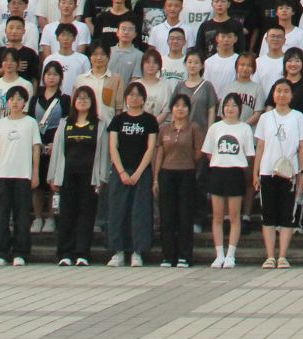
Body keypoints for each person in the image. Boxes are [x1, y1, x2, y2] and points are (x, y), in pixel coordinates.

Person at [254, 78, 303, 269]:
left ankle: (283, 256)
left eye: (286, 91)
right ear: (273, 94)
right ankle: (270, 256)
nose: (282, 95)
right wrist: (255, 172)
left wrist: (301, 172)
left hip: (290, 173)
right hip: (267, 171)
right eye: (278, 91)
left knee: (288, 214)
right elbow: (260, 146)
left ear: (291, 95)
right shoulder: (265, 118)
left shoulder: (298, 117)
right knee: (268, 214)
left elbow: (302, 146)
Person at [105, 82, 160, 266]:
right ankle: (118, 251)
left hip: (141, 172)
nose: (134, 98)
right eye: (131, 95)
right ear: (125, 98)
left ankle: (137, 252)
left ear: (143, 99)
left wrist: (138, 173)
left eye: (138, 95)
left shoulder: (150, 120)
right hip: (120, 171)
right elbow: (113, 147)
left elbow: (151, 148)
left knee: (140, 211)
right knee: (117, 210)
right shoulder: (118, 120)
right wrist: (121, 172)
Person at [0, 85, 41, 266]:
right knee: (1, 216)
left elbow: (35, 149)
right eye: (12, 99)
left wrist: (35, 173)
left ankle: (21, 252)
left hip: (23, 175)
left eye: (19, 99)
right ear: (7, 102)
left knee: (22, 216)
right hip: (2, 174)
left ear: (25, 102)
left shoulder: (31, 123)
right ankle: (0, 252)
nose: (15, 102)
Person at [202, 92, 255, 268]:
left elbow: (249, 154)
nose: (230, 109)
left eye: (234, 105)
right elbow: (209, 152)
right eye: (227, 105)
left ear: (240, 108)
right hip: (217, 172)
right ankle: (219, 254)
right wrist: (220, 161)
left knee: (234, 216)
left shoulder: (245, 128)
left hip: (236, 173)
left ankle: (231, 254)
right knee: (217, 216)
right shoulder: (215, 128)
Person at [51, 86, 103, 266]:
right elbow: (57, 151)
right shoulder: (65, 123)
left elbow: (103, 153)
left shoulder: (99, 125)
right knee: (67, 214)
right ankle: (65, 253)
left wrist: (102, 178)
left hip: (89, 176)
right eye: (79, 98)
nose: (82, 101)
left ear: (92, 102)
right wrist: (53, 176)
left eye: (86, 98)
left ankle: (82, 253)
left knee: (86, 214)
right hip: (67, 174)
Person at [156, 95, 204, 267]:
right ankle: (168, 255)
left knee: (185, 215)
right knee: (167, 216)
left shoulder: (194, 128)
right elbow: (160, 153)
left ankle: (184, 255)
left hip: (187, 174)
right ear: (171, 109)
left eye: (184, 106)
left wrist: (187, 162)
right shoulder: (164, 129)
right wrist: (155, 178)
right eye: (176, 105)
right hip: (166, 173)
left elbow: (199, 152)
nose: (180, 109)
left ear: (189, 109)